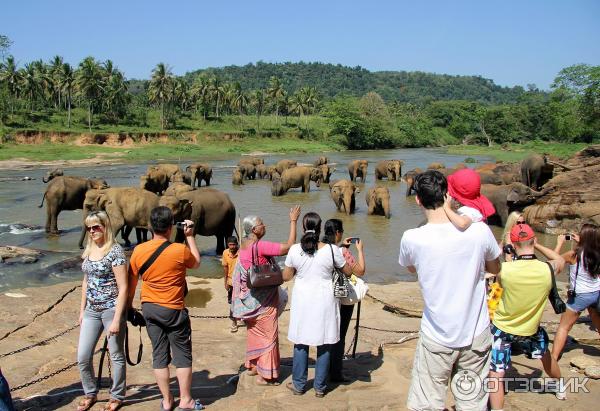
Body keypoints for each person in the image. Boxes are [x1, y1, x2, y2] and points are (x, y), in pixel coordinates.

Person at [398, 170, 501, 410]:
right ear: (447, 195)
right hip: (476, 332)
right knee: (472, 402)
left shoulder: (411, 238)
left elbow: (411, 269)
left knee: (427, 403)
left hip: (436, 335)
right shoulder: (479, 230)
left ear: (418, 200)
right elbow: (496, 268)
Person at [128, 207, 202, 411]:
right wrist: (190, 237)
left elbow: (132, 283)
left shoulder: (139, 251)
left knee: (159, 355)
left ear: (151, 226)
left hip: (150, 309)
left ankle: (167, 401)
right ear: (171, 228)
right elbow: (196, 263)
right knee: (182, 356)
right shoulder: (179, 250)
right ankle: (185, 400)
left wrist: (129, 308)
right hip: (174, 309)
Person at [489, 223, 566, 408]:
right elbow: (560, 260)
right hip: (531, 328)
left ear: (513, 245)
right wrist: (538, 245)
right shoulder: (548, 269)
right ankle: (560, 385)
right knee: (546, 358)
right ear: (534, 240)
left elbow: (495, 292)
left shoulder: (505, 270)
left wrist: (503, 249)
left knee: (496, 373)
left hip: (502, 328)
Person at [283, 213, 353, 397]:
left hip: (303, 300)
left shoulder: (295, 250)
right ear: (321, 227)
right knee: (325, 343)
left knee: (301, 342)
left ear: (303, 227)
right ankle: (320, 387)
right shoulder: (331, 250)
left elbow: (287, 276)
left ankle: (298, 385)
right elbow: (348, 270)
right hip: (325, 301)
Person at [231, 206, 301, 386]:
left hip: (249, 300)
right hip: (264, 301)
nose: (265, 226)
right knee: (269, 335)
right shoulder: (260, 246)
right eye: (262, 224)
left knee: (254, 332)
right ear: (254, 230)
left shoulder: (243, 246)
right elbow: (289, 247)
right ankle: (266, 375)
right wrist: (293, 221)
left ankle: (254, 365)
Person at [77, 211, 128, 411]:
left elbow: (123, 287)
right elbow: (85, 282)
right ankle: (90, 392)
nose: (92, 231)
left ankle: (116, 396)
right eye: (89, 228)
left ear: (105, 226)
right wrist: (82, 310)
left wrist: (117, 319)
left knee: (116, 355)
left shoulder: (115, 251)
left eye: (95, 227)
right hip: (91, 310)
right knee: (83, 356)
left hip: (110, 309)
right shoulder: (89, 250)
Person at [321, 218, 365, 383]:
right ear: (338, 233)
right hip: (341, 298)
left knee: (326, 334)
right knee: (339, 335)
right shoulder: (342, 253)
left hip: (324, 297)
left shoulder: (321, 248)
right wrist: (360, 250)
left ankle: (324, 369)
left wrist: (342, 246)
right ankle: (336, 372)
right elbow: (360, 271)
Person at [551, 224, 600, 362]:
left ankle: (554, 358)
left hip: (580, 296)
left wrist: (559, 243)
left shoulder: (573, 255)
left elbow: (554, 261)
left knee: (564, 328)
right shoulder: (597, 252)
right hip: (596, 293)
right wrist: (583, 242)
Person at [221, 236, 240, 333]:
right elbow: (225, 268)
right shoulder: (225, 253)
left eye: (233, 245)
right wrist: (225, 282)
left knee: (241, 302)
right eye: (230, 245)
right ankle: (234, 321)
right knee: (232, 303)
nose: (232, 247)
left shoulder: (242, 253)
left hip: (241, 283)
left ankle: (238, 320)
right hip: (231, 282)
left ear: (237, 244)